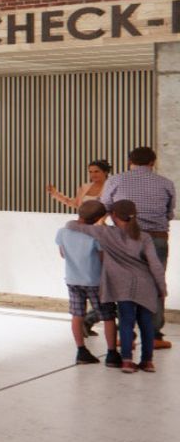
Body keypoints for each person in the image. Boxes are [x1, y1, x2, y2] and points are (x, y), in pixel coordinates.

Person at [67, 199, 167, 373]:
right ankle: (147, 362)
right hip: (146, 286)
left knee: (126, 323)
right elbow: (155, 265)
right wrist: (162, 288)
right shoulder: (144, 237)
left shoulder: (106, 233)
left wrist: (100, 215)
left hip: (122, 288)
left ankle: (127, 361)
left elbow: (72, 225)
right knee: (146, 324)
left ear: (113, 215)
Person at [101, 146, 175, 349]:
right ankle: (155, 335)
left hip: (124, 238)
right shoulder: (166, 183)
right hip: (157, 237)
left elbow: (105, 206)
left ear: (129, 162)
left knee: (124, 283)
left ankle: (127, 334)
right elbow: (169, 213)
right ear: (153, 162)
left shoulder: (115, 180)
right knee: (155, 282)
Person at [58, 200, 120, 367]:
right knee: (108, 316)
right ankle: (112, 354)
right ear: (98, 218)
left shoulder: (63, 232)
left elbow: (62, 254)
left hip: (72, 279)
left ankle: (81, 351)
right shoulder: (96, 234)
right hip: (94, 281)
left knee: (77, 315)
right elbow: (102, 258)